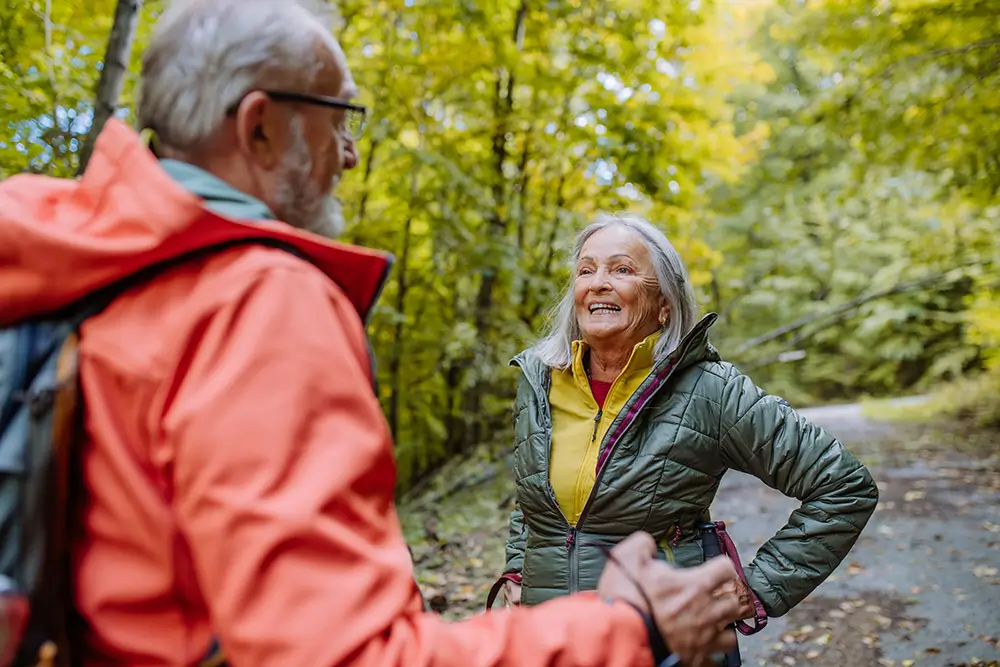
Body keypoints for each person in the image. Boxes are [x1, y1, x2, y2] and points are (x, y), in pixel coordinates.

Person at [0, 1, 750, 666]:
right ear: (259, 126)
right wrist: (629, 629)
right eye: (340, 118)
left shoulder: (56, 262)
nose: (351, 156)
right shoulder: (257, 303)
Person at [493, 214, 879, 617]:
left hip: (663, 640)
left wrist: (758, 587)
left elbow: (844, 487)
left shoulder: (710, 389)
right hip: (547, 639)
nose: (598, 282)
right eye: (586, 270)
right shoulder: (539, 383)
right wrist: (518, 570)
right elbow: (534, 496)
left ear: (664, 305)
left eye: (621, 269)